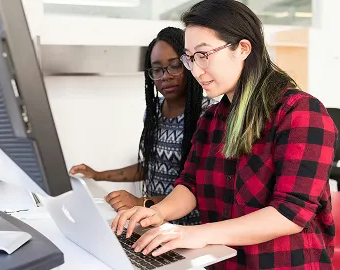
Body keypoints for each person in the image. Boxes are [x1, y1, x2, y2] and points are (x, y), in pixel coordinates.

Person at [111, 1, 338, 269]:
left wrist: (195, 233)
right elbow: (190, 184)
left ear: (243, 48)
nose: (195, 70)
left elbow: (289, 213)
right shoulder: (211, 119)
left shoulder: (300, 112)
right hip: (222, 262)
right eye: (190, 58)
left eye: (204, 54)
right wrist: (156, 212)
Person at [70, 27, 215, 226]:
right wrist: (97, 174)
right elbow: (151, 166)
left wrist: (141, 203)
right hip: (155, 223)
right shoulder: (154, 111)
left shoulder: (209, 116)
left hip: (189, 229)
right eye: (157, 69)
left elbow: (199, 191)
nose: (165, 76)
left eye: (174, 66)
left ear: (189, 64)